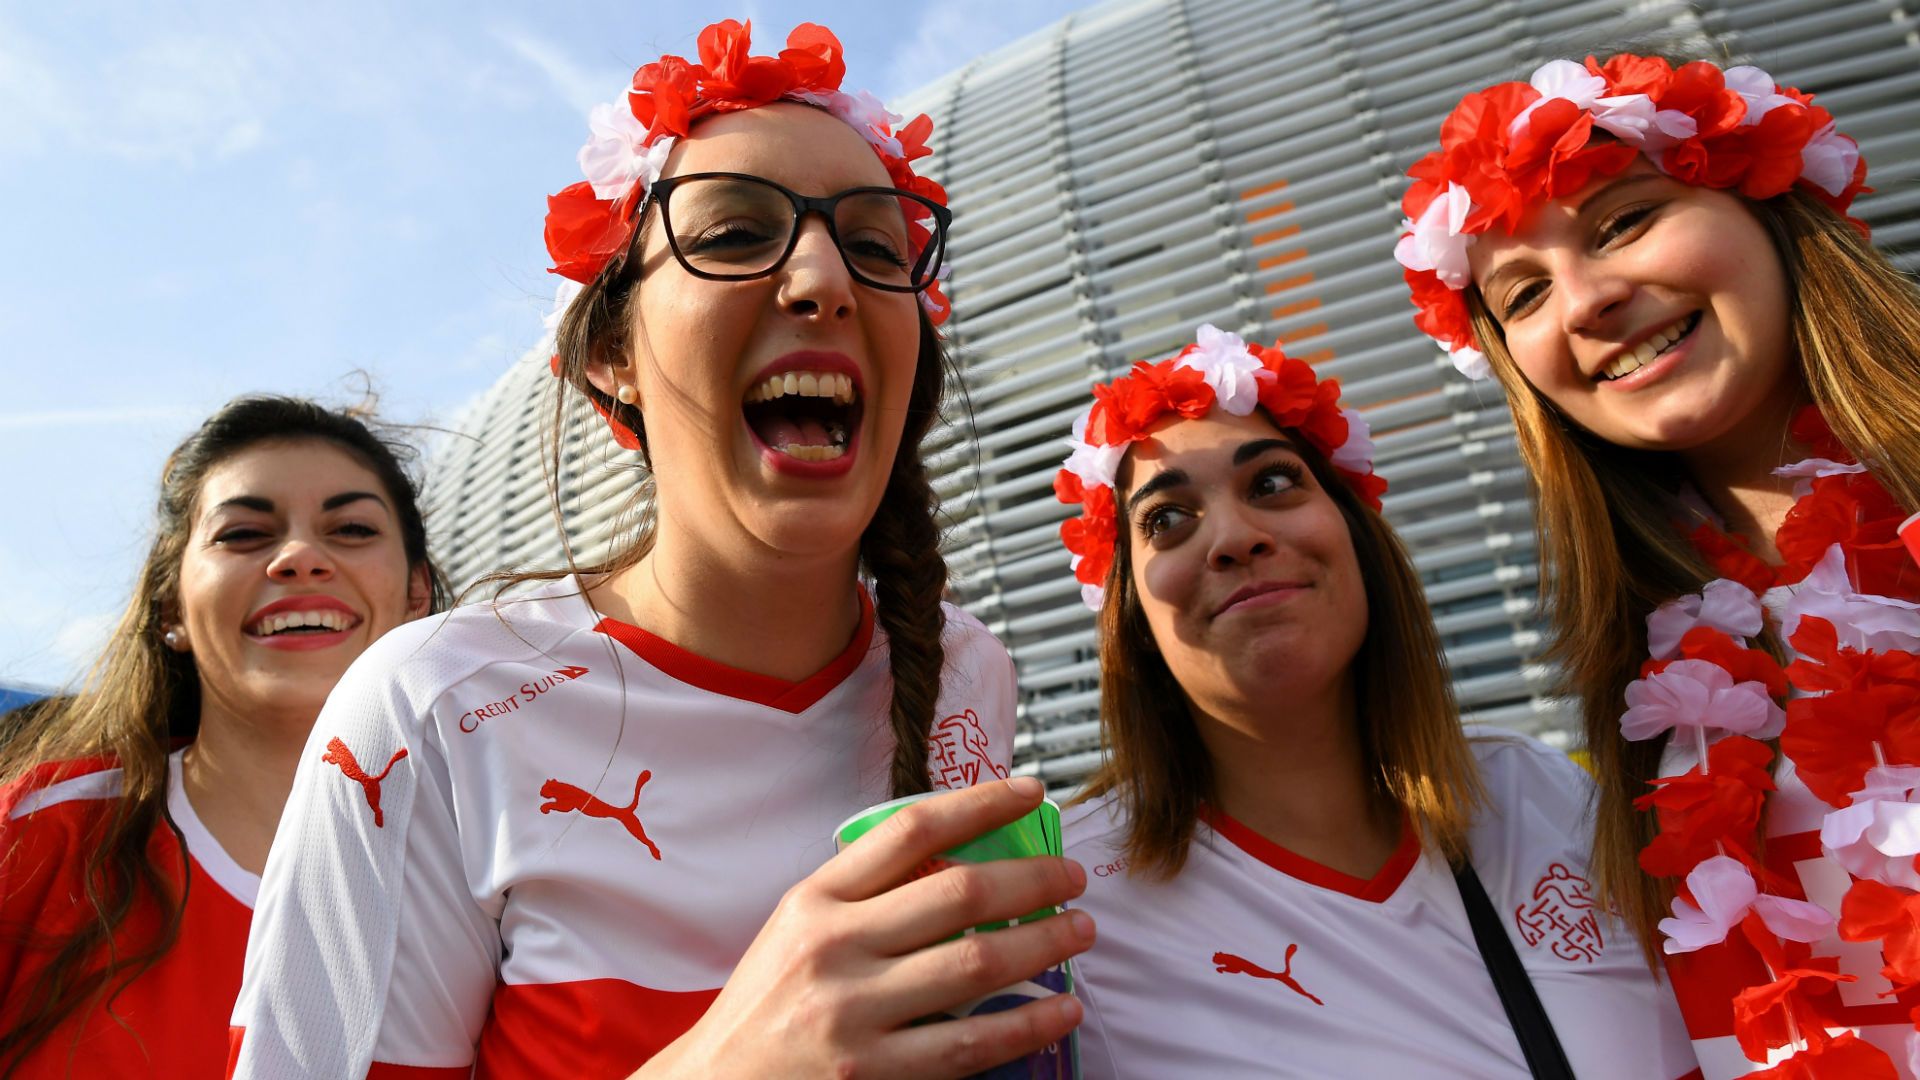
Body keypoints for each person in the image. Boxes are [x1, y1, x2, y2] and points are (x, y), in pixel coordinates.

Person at [227, 20, 1091, 1080]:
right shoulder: (431, 709)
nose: (823, 279)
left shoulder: (968, 670)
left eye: (877, 247)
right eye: (732, 235)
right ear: (609, 357)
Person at [1394, 52, 1920, 1076]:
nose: (1586, 300)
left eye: (1625, 220)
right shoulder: (1658, 677)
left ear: (1771, 206)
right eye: (1526, 292)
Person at [1051, 325, 1696, 1077]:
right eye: (1166, 519)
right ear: (1129, 613)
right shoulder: (1067, 916)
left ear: (1357, 535)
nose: (1233, 536)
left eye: (1271, 482)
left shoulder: (1545, 800)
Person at [0, 396, 443, 1078]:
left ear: (418, 594)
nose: (299, 557)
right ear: (172, 608)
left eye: (352, 528)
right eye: (243, 535)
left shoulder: (510, 858)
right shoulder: (33, 841)